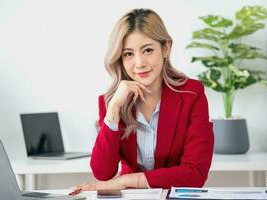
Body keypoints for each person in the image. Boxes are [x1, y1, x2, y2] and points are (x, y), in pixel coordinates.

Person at [78, 8, 214, 190]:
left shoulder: (192, 94)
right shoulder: (111, 101)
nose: (139, 63)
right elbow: (103, 173)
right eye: (128, 54)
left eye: (148, 50)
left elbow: (195, 174)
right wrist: (113, 109)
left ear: (165, 48)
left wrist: (126, 181)